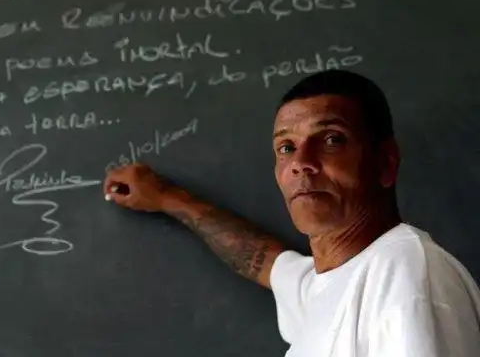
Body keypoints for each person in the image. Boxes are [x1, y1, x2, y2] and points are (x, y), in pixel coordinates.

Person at [103, 70, 480, 357]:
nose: (301, 162)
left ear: (385, 163)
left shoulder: (404, 275)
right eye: (286, 147)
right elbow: (258, 257)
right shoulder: (325, 284)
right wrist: (166, 198)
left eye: (331, 140)